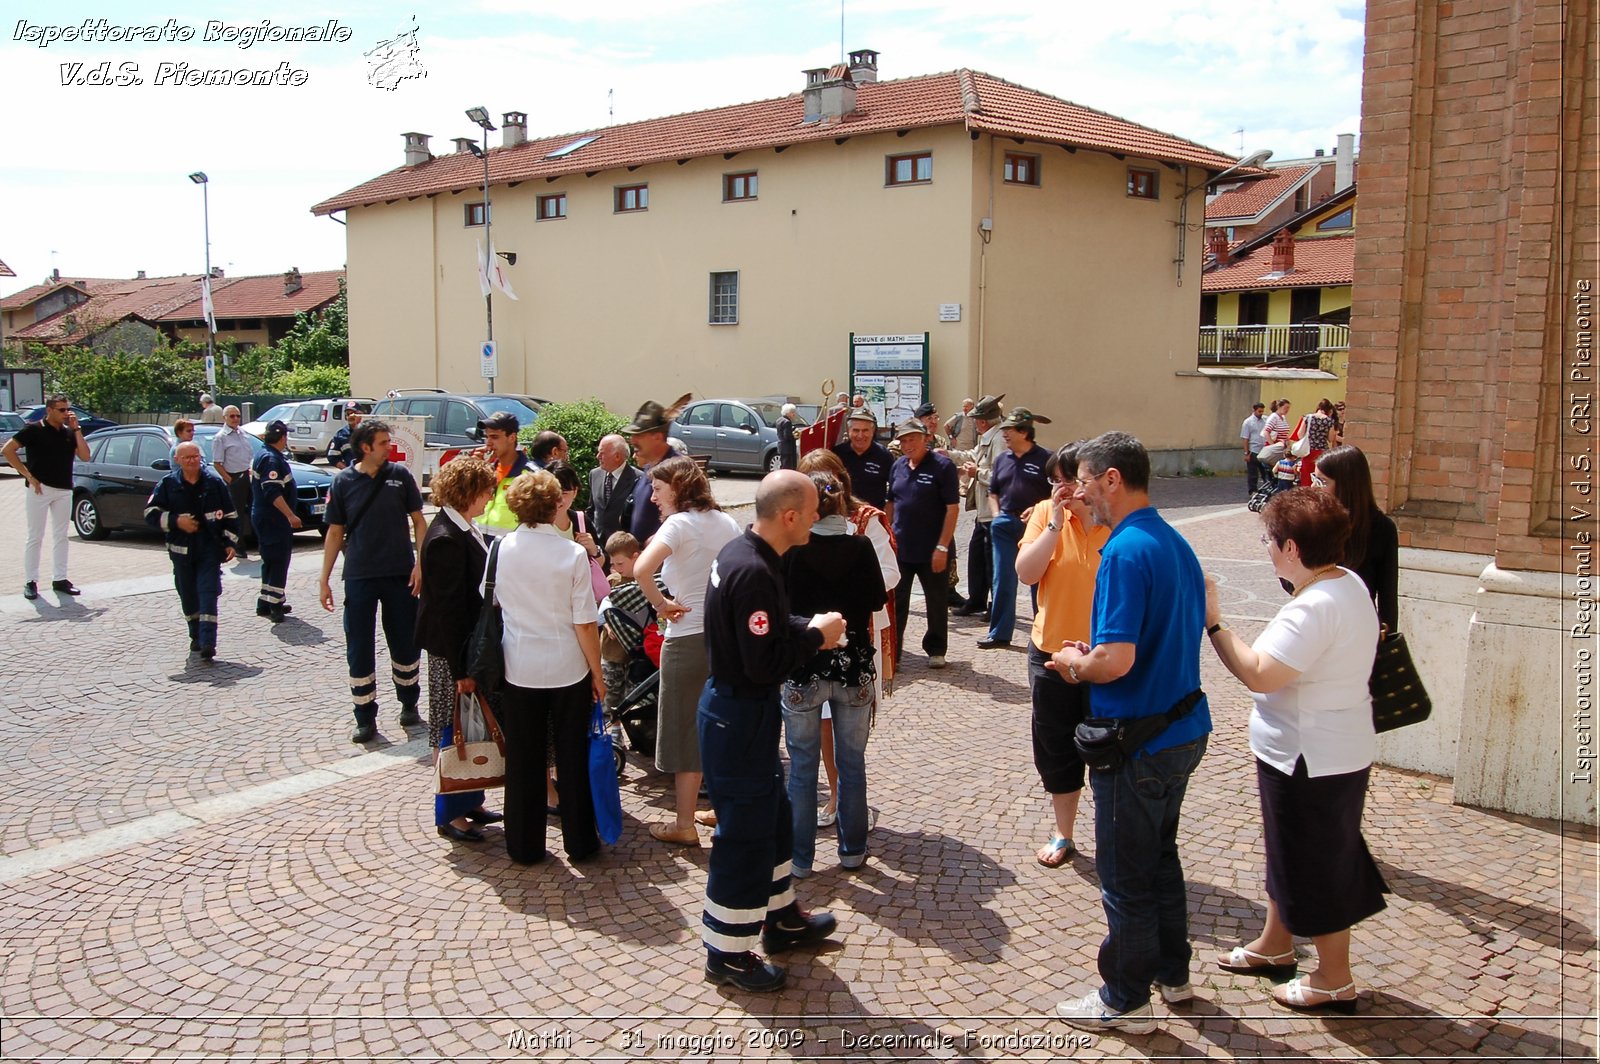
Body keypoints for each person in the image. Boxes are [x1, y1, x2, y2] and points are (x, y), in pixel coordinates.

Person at [1051, 431, 1212, 1035]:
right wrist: (1098, 653)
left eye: (1086, 481)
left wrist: (1075, 663)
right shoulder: (1174, 543)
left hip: (1139, 738)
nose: (1079, 493)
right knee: (1160, 858)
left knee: (1124, 876)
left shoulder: (1123, 550)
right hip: (1180, 728)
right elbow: (1155, 639)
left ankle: (1126, 998)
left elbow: (1116, 662)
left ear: (1112, 479)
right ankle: (1173, 974)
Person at [1203, 488, 1386, 1014]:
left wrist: (1215, 623)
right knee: (1295, 852)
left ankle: (1334, 977)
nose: (1265, 548)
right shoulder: (1345, 582)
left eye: (1268, 540)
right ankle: (1275, 944)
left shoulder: (1314, 605)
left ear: (1290, 548)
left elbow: (1262, 673)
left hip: (1310, 756)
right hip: (1329, 748)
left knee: (1315, 862)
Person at [698, 470, 846, 993]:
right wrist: (814, 639)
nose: (815, 518)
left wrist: (807, 625)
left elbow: (758, 630)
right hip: (739, 713)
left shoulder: (749, 552)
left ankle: (781, 920)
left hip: (742, 713)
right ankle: (728, 952)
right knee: (744, 835)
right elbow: (764, 664)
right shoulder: (757, 571)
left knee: (775, 818)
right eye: (809, 512)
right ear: (789, 517)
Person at [492, 470, 606, 865]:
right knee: (572, 756)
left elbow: (492, 602)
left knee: (524, 758)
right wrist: (598, 672)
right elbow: (584, 621)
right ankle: (581, 841)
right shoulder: (571, 553)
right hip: (566, 665)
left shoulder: (500, 548)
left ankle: (523, 845)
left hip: (519, 663)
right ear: (556, 504)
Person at [781, 469, 887, 877]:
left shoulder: (794, 550)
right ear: (843, 504)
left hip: (805, 665)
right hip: (852, 666)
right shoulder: (860, 547)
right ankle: (852, 849)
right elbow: (878, 599)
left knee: (803, 766)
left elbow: (781, 606)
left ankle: (802, 859)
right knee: (852, 762)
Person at [633, 456, 742, 845]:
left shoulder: (679, 524)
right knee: (721, 727)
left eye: (658, 490)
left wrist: (661, 605)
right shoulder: (727, 522)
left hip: (687, 639)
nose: (653, 499)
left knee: (685, 731)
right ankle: (722, 809)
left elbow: (639, 570)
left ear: (677, 488)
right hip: (724, 640)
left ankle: (683, 824)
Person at [1015, 442, 1108, 867]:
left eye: (1068, 480)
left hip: (1106, 655)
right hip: (1051, 650)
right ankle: (1064, 832)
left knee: (1110, 746)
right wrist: (1054, 521)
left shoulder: (1116, 521)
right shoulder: (1044, 514)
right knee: (1055, 746)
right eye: (1054, 481)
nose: (1060, 488)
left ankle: (1112, 833)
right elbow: (1026, 573)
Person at [796, 448, 901, 826]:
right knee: (821, 721)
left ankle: (853, 802)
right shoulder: (798, 521)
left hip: (857, 633)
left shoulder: (866, 520)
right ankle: (837, 794)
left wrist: (845, 581)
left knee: (850, 726)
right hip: (811, 637)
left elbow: (890, 574)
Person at [319, 419, 428, 744]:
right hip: (360, 576)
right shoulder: (342, 482)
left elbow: (419, 521)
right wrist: (324, 579)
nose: (389, 448)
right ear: (366, 447)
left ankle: (409, 705)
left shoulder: (400, 476)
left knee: (405, 643)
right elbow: (335, 532)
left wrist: (421, 564)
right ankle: (365, 718)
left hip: (399, 574)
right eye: (382, 443)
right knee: (360, 647)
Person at [414, 455, 503, 843]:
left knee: (471, 727)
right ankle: (449, 812)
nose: (489, 499)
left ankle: (470, 800)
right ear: (469, 492)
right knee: (451, 731)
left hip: (464, 647)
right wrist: (460, 669)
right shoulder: (447, 537)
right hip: (453, 651)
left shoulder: (461, 527)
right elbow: (448, 611)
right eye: (486, 491)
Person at [144, 441, 239, 659]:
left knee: (208, 593)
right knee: (188, 595)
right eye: (187, 458)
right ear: (177, 460)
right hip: (181, 552)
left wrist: (230, 543)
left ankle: (208, 641)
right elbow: (150, 514)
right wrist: (177, 521)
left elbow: (231, 516)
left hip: (209, 549)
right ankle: (195, 634)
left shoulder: (214, 484)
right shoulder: (167, 485)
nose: (192, 461)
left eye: (195, 457)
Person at [885, 419, 959, 669]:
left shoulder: (943, 466)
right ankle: (893, 651)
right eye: (903, 440)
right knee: (897, 603)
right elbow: (891, 504)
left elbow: (952, 509)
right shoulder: (898, 466)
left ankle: (936, 649)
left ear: (925, 438)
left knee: (937, 601)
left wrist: (942, 547)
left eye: (912, 439)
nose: (907, 445)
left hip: (933, 549)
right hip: (902, 548)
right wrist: (887, 537)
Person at [4, 395, 90, 600]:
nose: (66, 413)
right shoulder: (34, 429)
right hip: (39, 489)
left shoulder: (69, 432)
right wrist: (28, 476)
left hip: (64, 489)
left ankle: (60, 579)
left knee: (61, 536)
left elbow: (86, 456)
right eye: (61, 410)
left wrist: (77, 429)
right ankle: (31, 581)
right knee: (35, 536)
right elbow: (8, 450)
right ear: (49, 410)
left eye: (67, 410)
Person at [981, 406, 1053, 649]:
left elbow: (1056, 493)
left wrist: (1040, 510)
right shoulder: (1002, 459)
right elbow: (993, 492)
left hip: (1036, 527)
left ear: (1024, 432)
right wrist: (996, 515)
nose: (1004, 435)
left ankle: (1042, 630)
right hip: (1004, 525)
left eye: (1009, 430)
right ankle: (999, 633)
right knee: (1002, 578)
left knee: (1037, 579)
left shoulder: (1046, 459)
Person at [1313, 445, 1400, 632]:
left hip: (1357, 630)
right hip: (1317, 625)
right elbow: (1294, 585)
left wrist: (1385, 642)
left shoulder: (1382, 528)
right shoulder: (1316, 522)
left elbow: (1388, 596)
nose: (1314, 487)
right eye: (1314, 479)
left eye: (1322, 481)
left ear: (1345, 484)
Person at [947, 394, 1006, 619]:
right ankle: (977, 600)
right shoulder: (987, 437)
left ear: (982, 421)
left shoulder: (999, 439)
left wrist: (976, 473)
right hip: (983, 511)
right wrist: (949, 455)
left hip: (992, 510)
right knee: (977, 558)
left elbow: (1000, 477)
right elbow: (971, 455)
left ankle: (993, 605)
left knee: (991, 562)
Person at [620, 394, 691, 545]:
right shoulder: (648, 468)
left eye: (638, 435)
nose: (632, 440)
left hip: (666, 560)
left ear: (658, 437)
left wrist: (657, 541)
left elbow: (693, 516)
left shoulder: (680, 469)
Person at [251, 420, 303, 622]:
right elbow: (272, 491)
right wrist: (290, 515)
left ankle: (266, 601)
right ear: (282, 437)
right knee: (278, 561)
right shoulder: (271, 460)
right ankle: (275, 605)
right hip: (273, 520)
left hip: (267, 518)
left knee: (270, 560)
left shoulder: (266, 454)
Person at [475, 411, 532, 538]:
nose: (488, 442)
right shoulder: (485, 470)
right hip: (480, 546)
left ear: (512, 438)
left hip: (510, 549)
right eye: (487, 437)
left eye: (495, 437)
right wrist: (473, 471)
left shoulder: (529, 475)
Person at [213, 405, 256, 558]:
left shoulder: (242, 432)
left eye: (237, 416)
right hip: (234, 477)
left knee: (253, 509)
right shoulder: (221, 437)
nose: (235, 419)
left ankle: (254, 541)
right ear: (224, 418)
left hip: (248, 475)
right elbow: (217, 463)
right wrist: (230, 480)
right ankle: (238, 545)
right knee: (236, 513)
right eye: (232, 416)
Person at [831, 409, 893, 509]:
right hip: (843, 515)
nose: (860, 435)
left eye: (865, 430)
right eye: (856, 430)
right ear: (849, 430)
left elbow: (893, 491)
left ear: (872, 431)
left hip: (872, 517)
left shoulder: (884, 455)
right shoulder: (837, 454)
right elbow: (828, 485)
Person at [589, 434, 640, 545]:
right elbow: (592, 510)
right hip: (598, 545)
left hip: (622, 548)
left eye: (602, 453)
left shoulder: (638, 479)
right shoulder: (594, 474)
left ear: (617, 456)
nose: (598, 456)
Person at [1296, 399, 1342, 486]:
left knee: (1306, 476)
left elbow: (1300, 434)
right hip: (1322, 451)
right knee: (1319, 477)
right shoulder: (1329, 421)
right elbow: (1330, 439)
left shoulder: (1307, 417)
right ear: (1329, 410)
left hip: (1308, 451)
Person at [1240, 401, 1268, 497]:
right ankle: (1252, 491)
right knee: (1253, 473)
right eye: (1259, 411)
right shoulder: (1248, 422)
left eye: (1262, 411)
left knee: (1265, 471)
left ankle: (1267, 488)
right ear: (1254, 410)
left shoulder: (1265, 420)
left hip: (1264, 450)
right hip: (1253, 450)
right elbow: (1245, 438)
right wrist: (1246, 453)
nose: (1261, 413)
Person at [775, 403, 800, 470]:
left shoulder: (779, 420)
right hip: (788, 448)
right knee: (788, 467)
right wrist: (796, 436)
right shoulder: (787, 422)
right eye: (792, 412)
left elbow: (781, 432)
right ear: (787, 413)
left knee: (783, 465)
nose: (794, 414)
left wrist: (792, 429)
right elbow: (787, 436)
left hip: (781, 447)